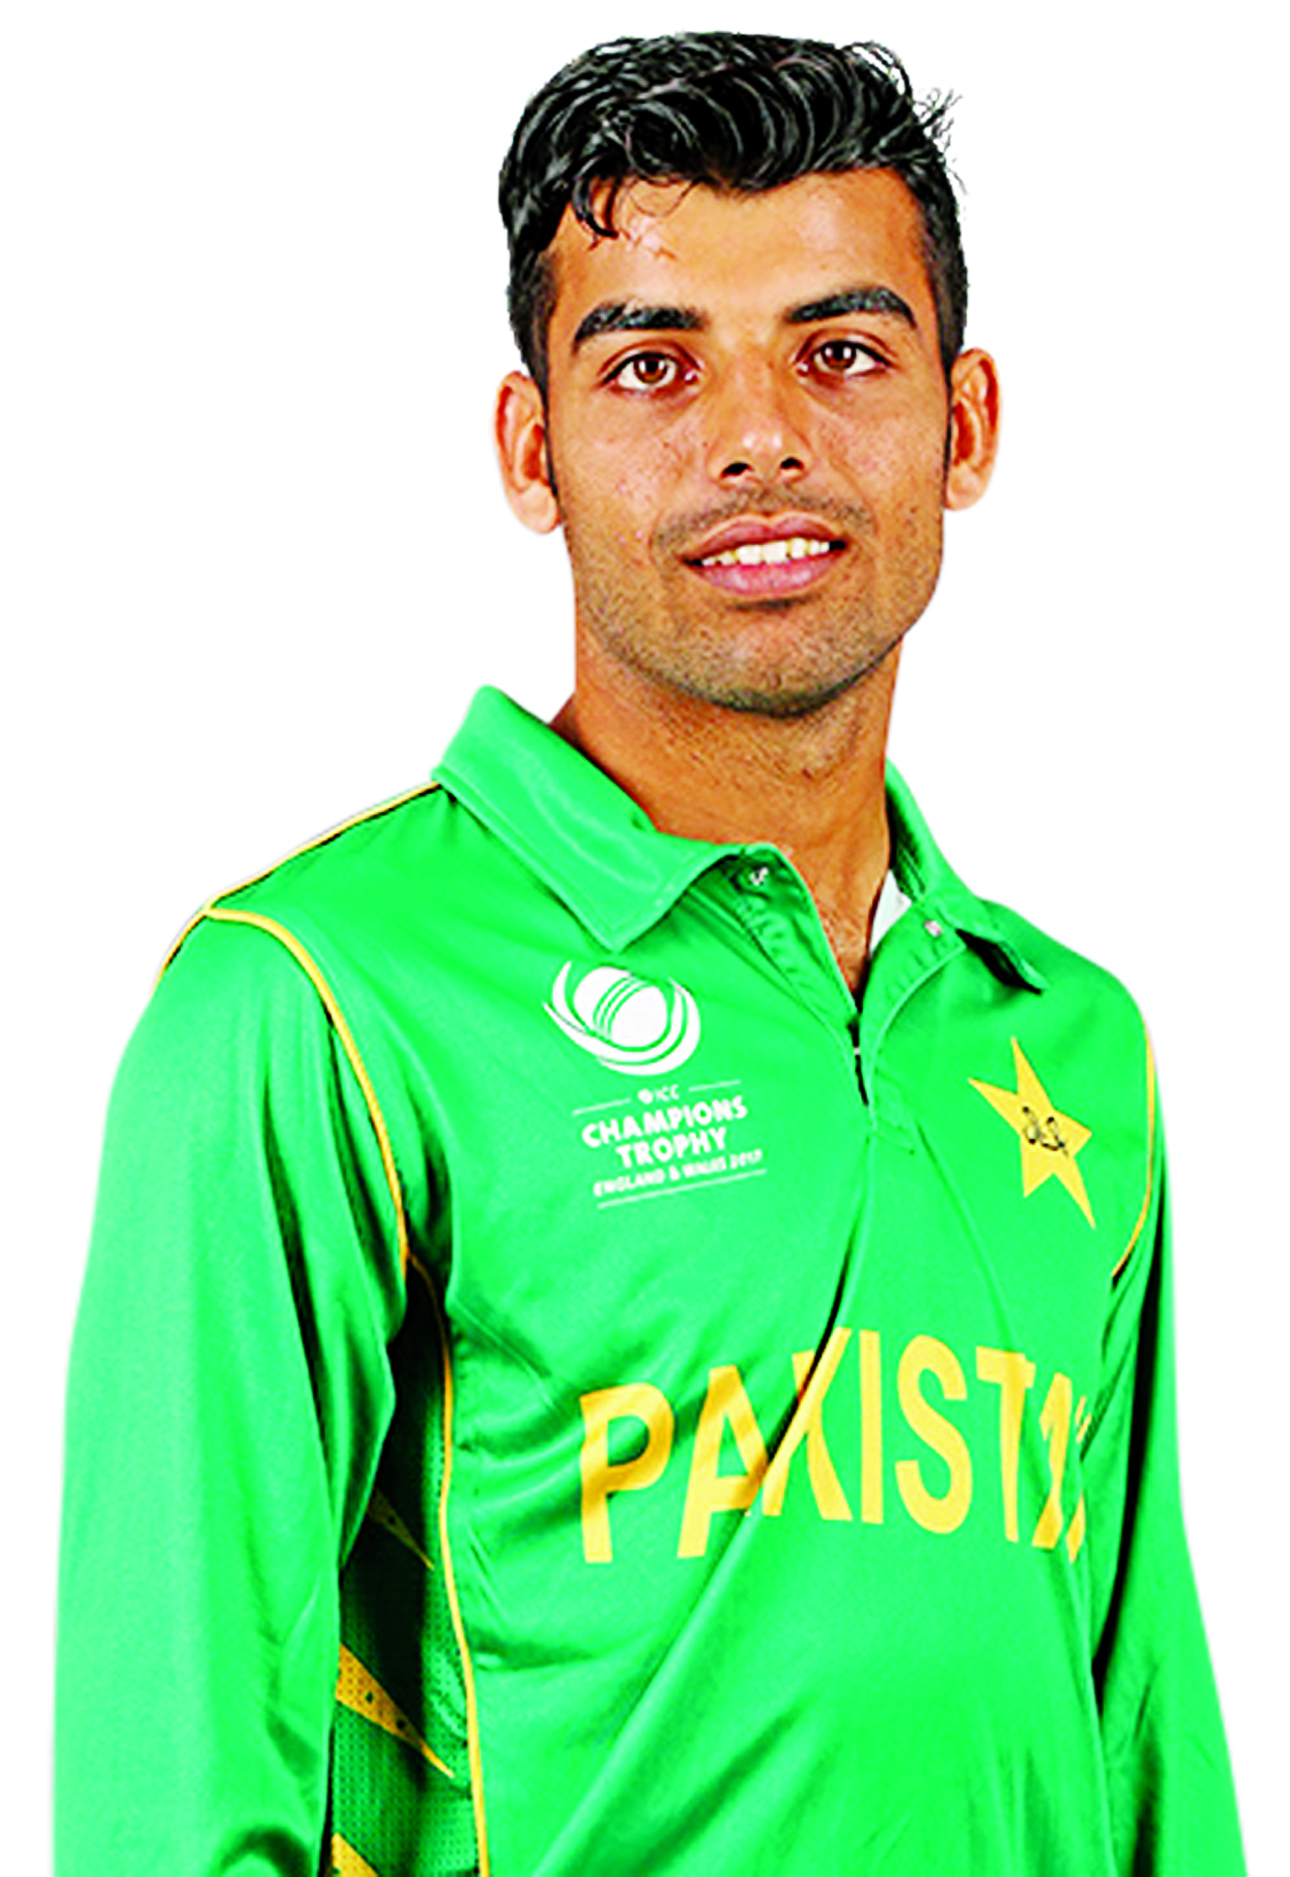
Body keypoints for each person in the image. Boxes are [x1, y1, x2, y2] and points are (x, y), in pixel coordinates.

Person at [56, 31, 1245, 1877]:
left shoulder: (1072, 1039)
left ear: (964, 424)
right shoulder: (312, 999)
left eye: (839, 353)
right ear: (532, 449)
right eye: (652, 364)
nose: (758, 438)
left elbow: (1138, 1719)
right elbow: (168, 1774)